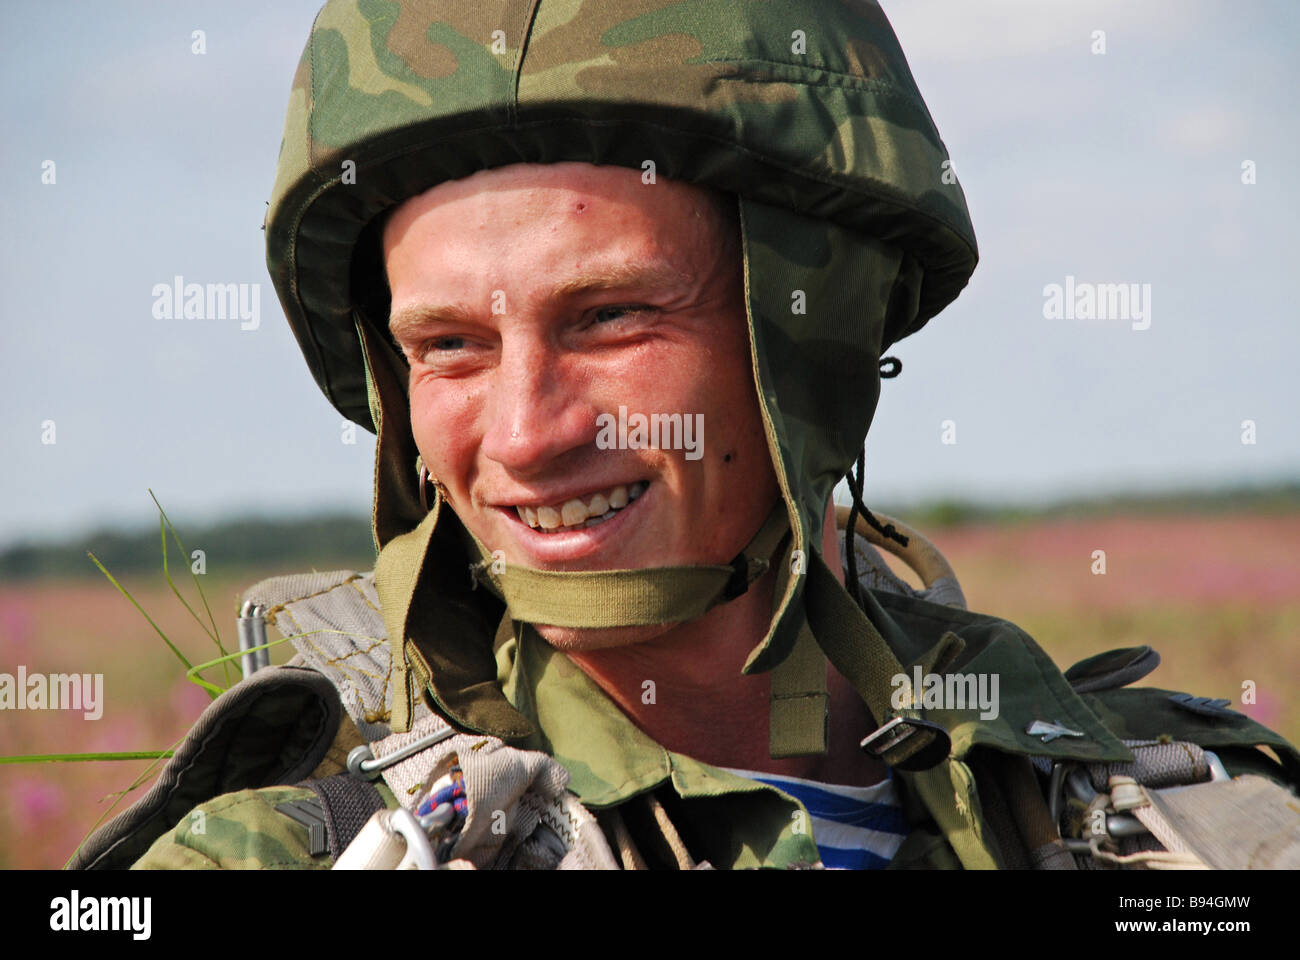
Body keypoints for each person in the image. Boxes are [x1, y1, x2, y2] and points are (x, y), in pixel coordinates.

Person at [72, 0, 1300, 871]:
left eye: (608, 317)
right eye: (447, 343)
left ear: (809, 336)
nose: (523, 433)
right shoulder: (296, 852)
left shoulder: (1186, 817)